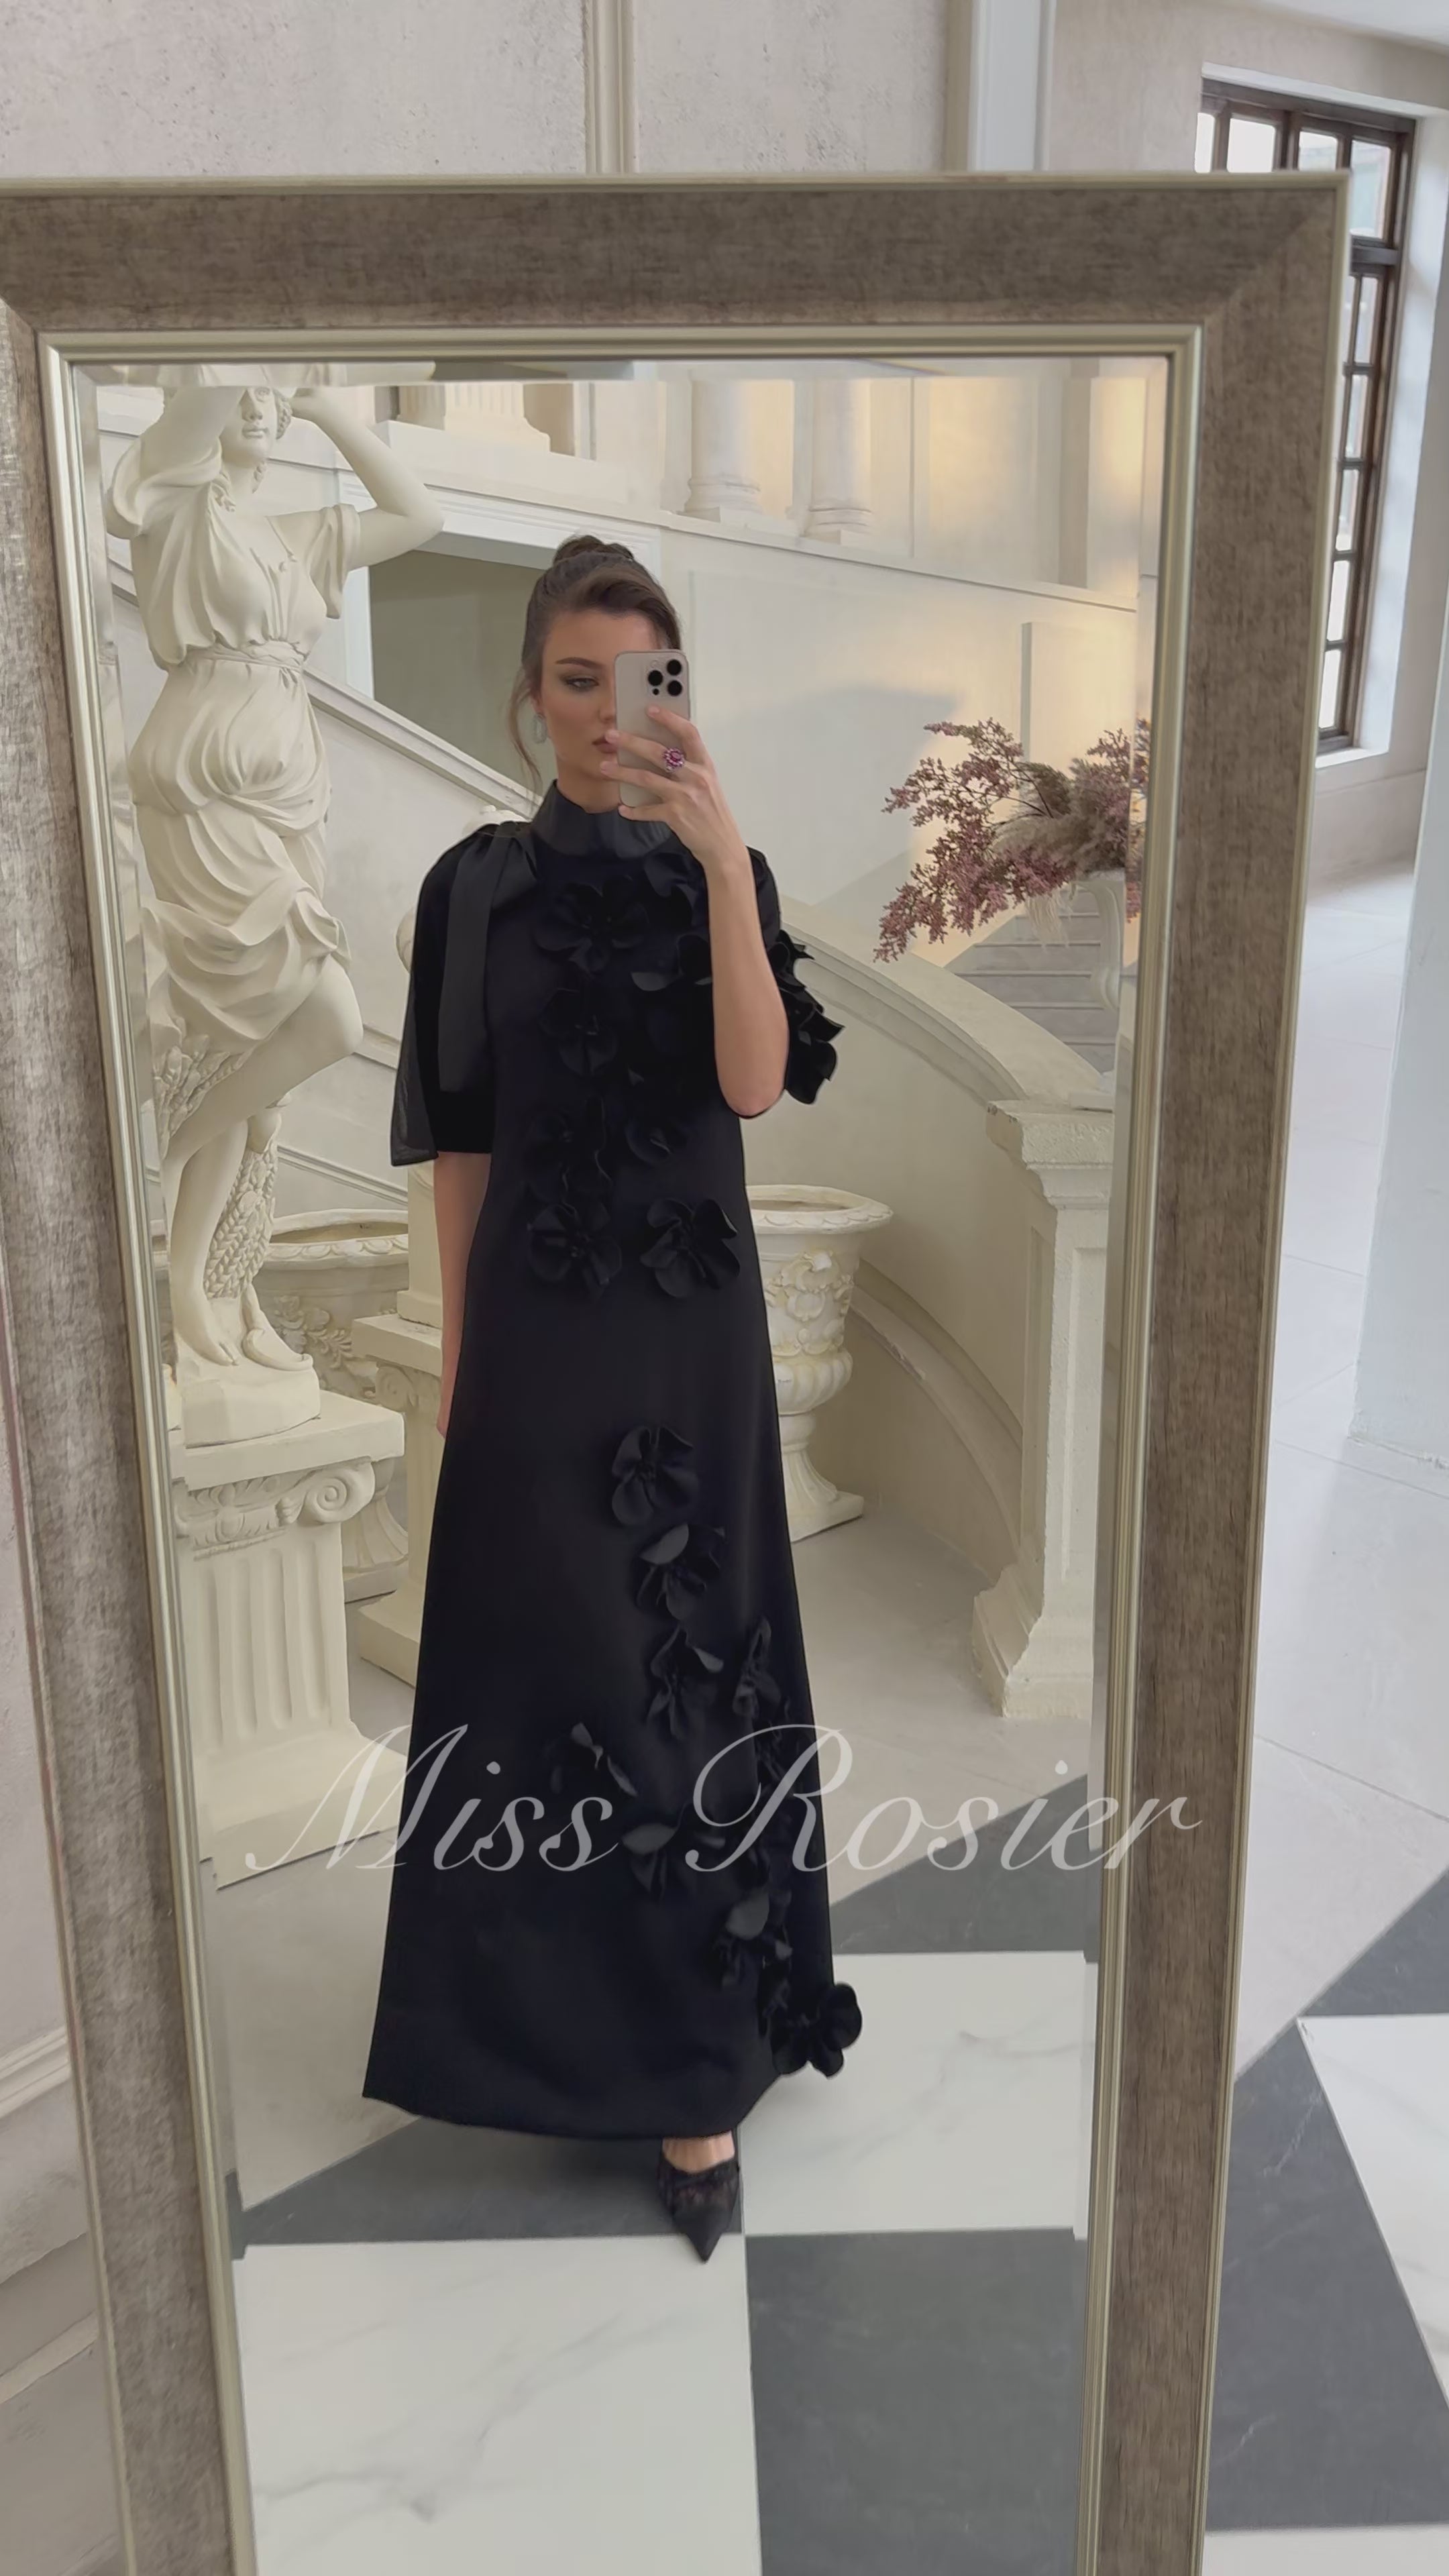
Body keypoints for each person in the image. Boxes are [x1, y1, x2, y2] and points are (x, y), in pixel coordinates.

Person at [362, 533, 861, 2260]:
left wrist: (718, 864)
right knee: (541, 1676)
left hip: (688, 1342)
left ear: (680, 697)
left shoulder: (731, 871)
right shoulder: (471, 888)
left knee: (684, 1684)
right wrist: (460, 1350)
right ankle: (535, 2040)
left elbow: (754, 1083)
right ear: (529, 694)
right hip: (536, 1335)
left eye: (642, 682)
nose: (606, 713)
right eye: (576, 680)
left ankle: (694, 2073)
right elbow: (461, 1137)